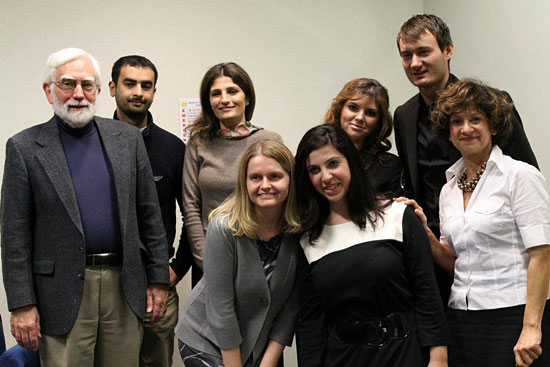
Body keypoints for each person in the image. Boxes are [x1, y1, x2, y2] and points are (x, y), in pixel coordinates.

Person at [0, 48, 169, 367]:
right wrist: (22, 304)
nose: (78, 93)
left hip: (124, 286)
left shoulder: (127, 139)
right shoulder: (24, 148)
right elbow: (14, 237)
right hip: (61, 294)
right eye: (67, 83)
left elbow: (150, 216)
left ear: (98, 90)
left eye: (87, 84)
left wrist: (158, 279)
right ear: (49, 90)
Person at [400, 79, 550, 367]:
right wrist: (424, 233)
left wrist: (531, 328)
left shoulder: (520, 176)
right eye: (457, 121)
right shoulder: (448, 189)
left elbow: (541, 254)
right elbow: (455, 262)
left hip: (512, 314)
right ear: (448, 131)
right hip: (460, 318)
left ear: (492, 125)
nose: (466, 128)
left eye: (475, 119)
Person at [393, 14, 538, 305]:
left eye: (423, 52)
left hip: (491, 262)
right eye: (406, 55)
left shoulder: (492, 104)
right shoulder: (403, 116)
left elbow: (525, 176)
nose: (415, 63)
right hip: (433, 252)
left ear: (448, 51)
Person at [294, 125, 448, 367]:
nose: (325, 177)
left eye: (333, 163)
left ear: (351, 162)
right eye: (314, 170)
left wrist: (439, 358)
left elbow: (427, 293)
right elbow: (311, 324)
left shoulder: (398, 216)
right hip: (342, 359)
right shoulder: (308, 241)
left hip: (403, 354)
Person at [176, 140, 302, 367]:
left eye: (275, 176)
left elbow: (291, 306)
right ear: (244, 182)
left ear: (291, 179)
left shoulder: (298, 229)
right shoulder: (224, 227)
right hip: (207, 339)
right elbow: (220, 308)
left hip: (257, 343)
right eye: (255, 178)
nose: (265, 185)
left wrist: (269, 361)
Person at [110, 55, 193, 367]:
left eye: (146, 86)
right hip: (106, 283)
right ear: (112, 88)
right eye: (129, 83)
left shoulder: (171, 148)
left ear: (154, 92)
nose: (138, 92)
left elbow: (191, 214)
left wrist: (175, 270)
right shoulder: (92, 144)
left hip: (156, 283)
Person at [183, 62, 282, 285]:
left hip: (259, 250)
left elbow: (281, 200)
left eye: (232, 91)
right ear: (209, 102)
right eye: (216, 93)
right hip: (211, 253)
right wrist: (204, 259)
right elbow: (190, 205)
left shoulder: (269, 141)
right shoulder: (198, 143)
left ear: (247, 98)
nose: (224, 99)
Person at [323, 78, 402, 197]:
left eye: (370, 113)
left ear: (378, 122)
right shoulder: (315, 154)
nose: (360, 117)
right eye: (353, 108)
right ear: (340, 109)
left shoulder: (390, 167)